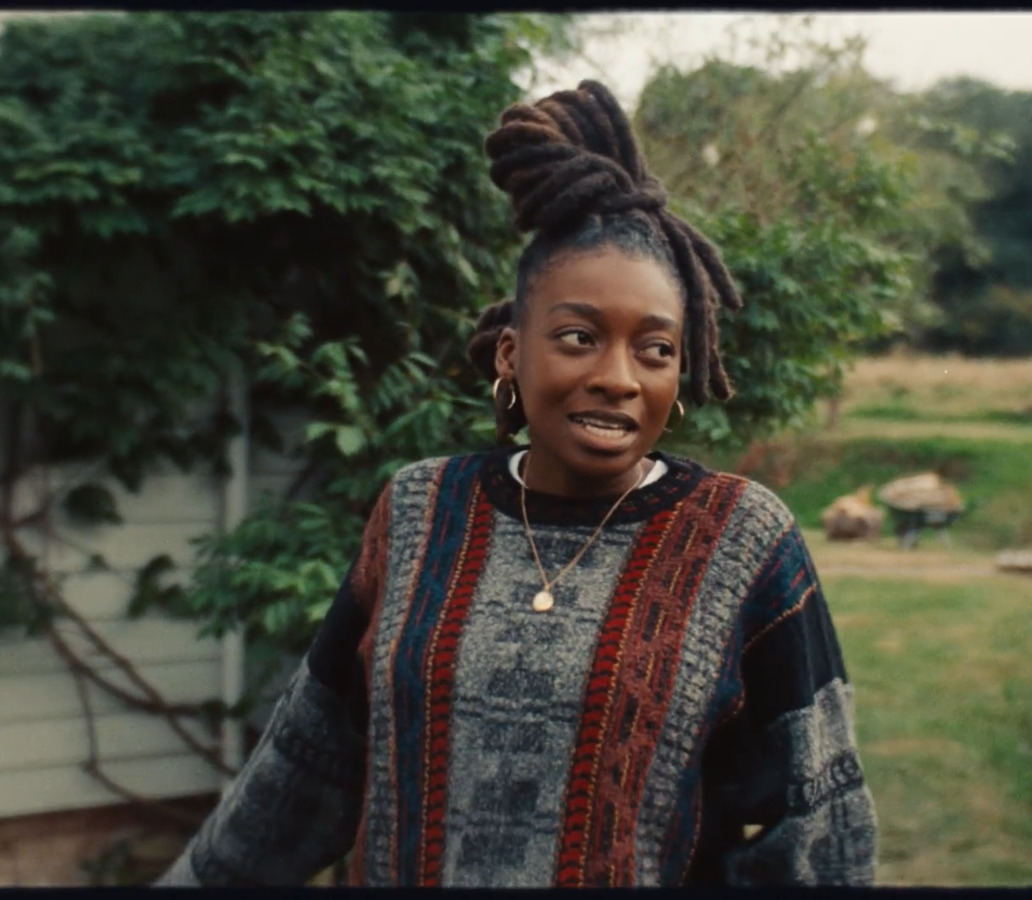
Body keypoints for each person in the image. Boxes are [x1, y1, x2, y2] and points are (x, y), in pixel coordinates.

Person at [155, 79, 876, 888]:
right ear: (510, 353)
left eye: (655, 349)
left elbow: (822, 827)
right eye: (578, 336)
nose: (618, 376)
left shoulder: (740, 537)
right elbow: (306, 766)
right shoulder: (420, 511)